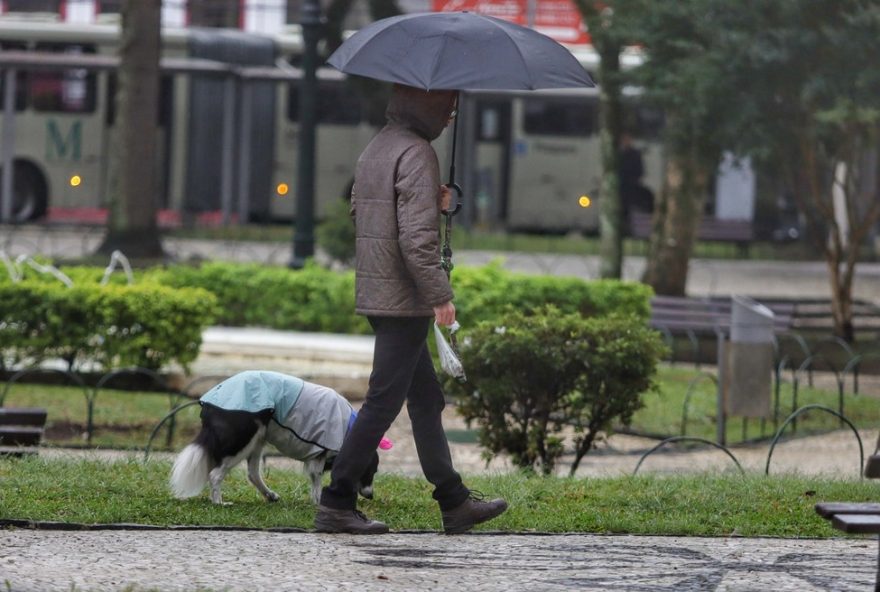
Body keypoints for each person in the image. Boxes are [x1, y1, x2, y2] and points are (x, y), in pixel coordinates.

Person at [314, 84, 508, 535]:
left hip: (380, 291)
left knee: (425, 399)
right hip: (405, 298)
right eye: (447, 108)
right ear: (427, 105)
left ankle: (454, 501)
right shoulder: (418, 153)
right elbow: (415, 241)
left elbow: (365, 214)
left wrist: (431, 203)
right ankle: (337, 500)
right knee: (383, 401)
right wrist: (439, 294)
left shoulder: (377, 147)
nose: (450, 119)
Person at [618, 132, 654, 225]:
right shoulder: (618, 154)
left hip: (631, 185)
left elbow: (639, 170)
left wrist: (634, 180)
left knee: (629, 208)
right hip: (620, 185)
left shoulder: (635, 154)